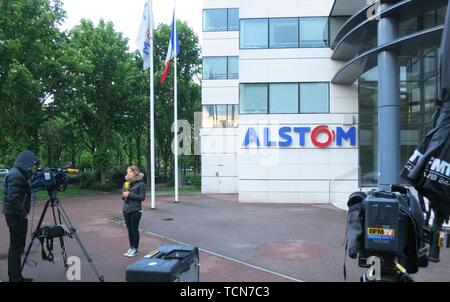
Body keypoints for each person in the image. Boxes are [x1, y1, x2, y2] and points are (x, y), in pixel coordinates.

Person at [2, 150, 40, 282]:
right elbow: (13, 198)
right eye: (34, 165)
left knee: (17, 246)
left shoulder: (18, 174)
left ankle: (16, 276)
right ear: (27, 163)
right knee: (16, 247)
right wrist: (22, 213)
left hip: (15, 215)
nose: (34, 168)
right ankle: (15, 278)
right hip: (15, 215)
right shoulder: (16, 175)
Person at [122, 166, 146, 258]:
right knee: (129, 230)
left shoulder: (141, 184)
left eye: (130, 172)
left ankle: (135, 249)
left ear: (135, 172)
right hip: (126, 209)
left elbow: (142, 197)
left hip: (135, 210)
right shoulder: (126, 183)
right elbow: (122, 196)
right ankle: (131, 247)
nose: (128, 173)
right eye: (127, 172)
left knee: (134, 230)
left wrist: (130, 194)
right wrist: (124, 195)